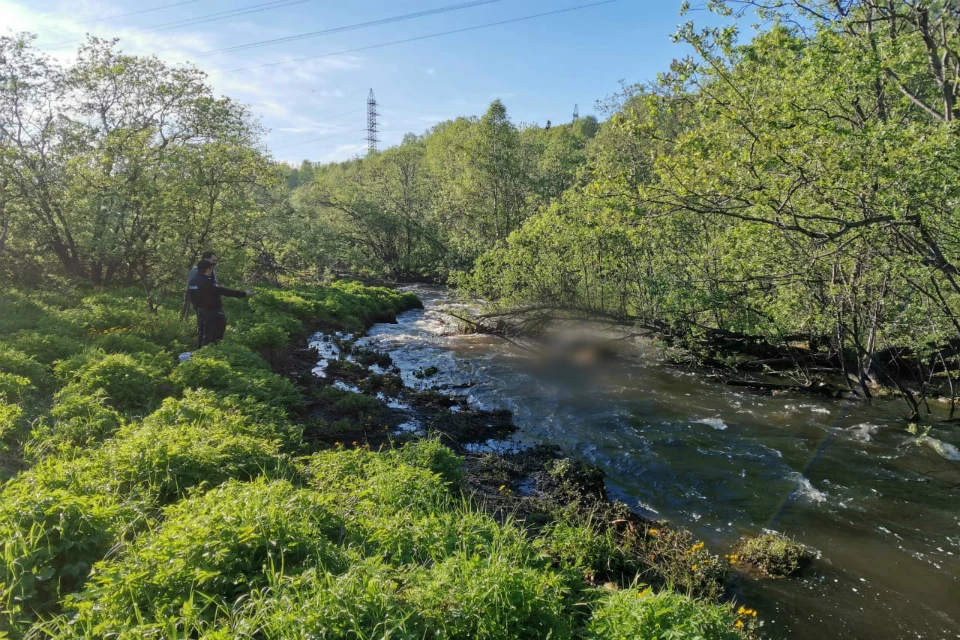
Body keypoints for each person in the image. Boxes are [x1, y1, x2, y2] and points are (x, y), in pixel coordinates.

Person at [188, 259, 255, 348]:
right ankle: (212, 356)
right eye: (211, 269)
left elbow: (191, 297)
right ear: (208, 269)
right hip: (212, 314)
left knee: (202, 335)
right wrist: (244, 294)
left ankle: (200, 355)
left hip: (200, 313)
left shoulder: (192, 281)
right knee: (213, 338)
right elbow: (223, 291)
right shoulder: (208, 281)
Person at [181, 251, 218, 321]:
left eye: (216, 261)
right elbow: (191, 287)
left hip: (214, 305)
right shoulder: (195, 270)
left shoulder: (212, 270)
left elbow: (216, 284)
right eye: (213, 260)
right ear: (205, 259)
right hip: (202, 306)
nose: (215, 263)